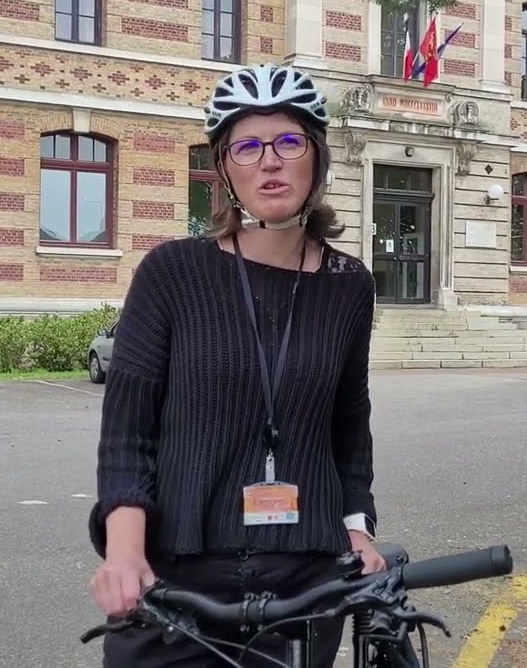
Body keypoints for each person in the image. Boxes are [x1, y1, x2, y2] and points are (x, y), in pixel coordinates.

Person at [86, 63, 386, 667]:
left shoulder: (349, 284)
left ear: (317, 158)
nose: (268, 161)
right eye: (247, 146)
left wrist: (358, 526)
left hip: (306, 576)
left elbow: (349, 425)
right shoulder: (172, 272)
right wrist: (124, 552)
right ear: (225, 169)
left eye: (288, 142)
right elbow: (127, 432)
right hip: (176, 575)